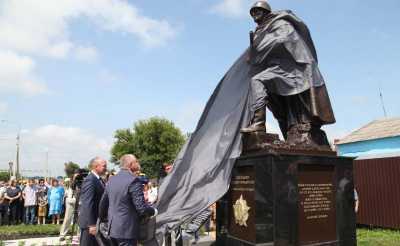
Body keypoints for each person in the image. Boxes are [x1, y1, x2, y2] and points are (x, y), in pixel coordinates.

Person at [240, 1, 335, 148]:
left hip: (297, 69)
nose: (255, 14)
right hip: (280, 70)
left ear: (266, 11)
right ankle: (259, 125)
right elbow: (256, 58)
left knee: (259, 81)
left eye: (258, 10)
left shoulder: (280, 23)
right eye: (252, 12)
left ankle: (259, 124)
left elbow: (285, 40)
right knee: (257, 82)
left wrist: (260, 48)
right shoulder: (260, 31)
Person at [99, 154, 157, 246]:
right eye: (136, 161)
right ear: (130, 164)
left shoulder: (112, 180)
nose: (138, 163)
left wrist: (105, 220)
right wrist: (153, 211)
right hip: (126, 231)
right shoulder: (134, 180)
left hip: (112, 229)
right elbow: (141, 208)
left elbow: (103, 204)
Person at [78, 157, 107, 246]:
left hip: (96, 221)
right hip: (89, 224)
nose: (106, 168)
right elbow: (87, 203)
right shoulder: (90, 180)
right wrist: (91, 224)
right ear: (96, 166)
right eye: (104, 166)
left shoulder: (98, 179)